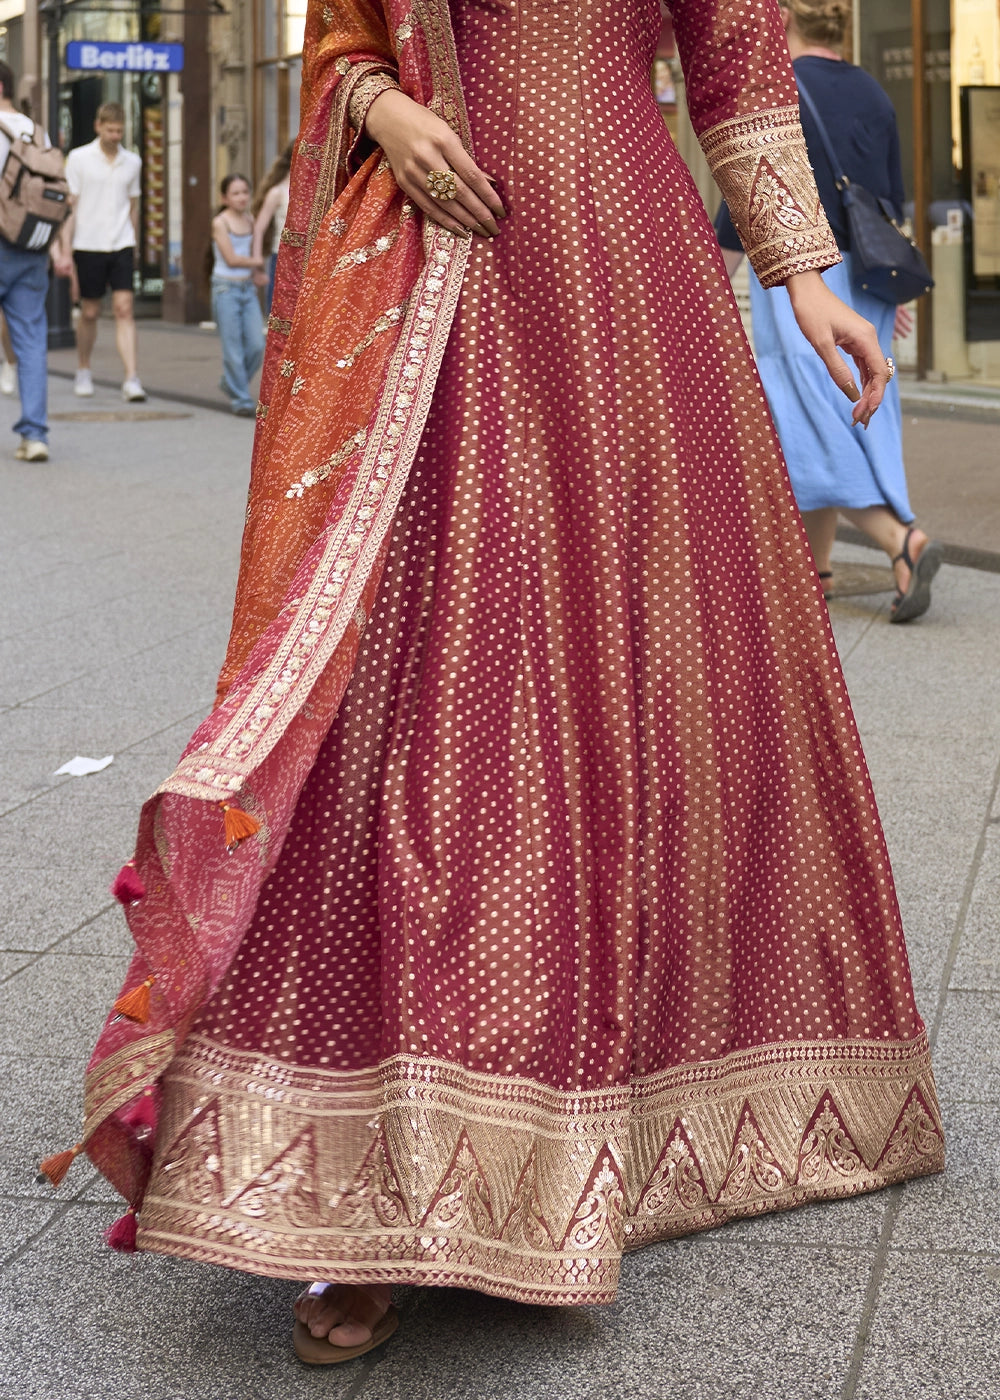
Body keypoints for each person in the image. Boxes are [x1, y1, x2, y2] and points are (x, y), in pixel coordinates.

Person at [64, 0, 943, 1365]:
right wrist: (387, 113)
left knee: (646, 683)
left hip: (640, 286)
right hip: (454, 282)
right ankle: (384, 1183)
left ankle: (618, 1124)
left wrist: (804, 274)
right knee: (429, 699)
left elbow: (732, 62)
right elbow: (346, 36)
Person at [716, 0, 941, 623]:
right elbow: (889, 201)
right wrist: (886, 294)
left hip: (801, 278)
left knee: (806, 419)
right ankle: (814, 575)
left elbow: (751, 192)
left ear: (782, 20)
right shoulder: (874, 92)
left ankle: (903, 543)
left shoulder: (778, 89)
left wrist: (712, 286)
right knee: (847, 414)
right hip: (864, 282)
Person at [0, 61, 73, 461]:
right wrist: (58, 250)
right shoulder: (37, 132)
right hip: (31, 247)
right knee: (30, 340)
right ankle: (35, 434)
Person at [64, 102, 146, 403]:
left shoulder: (132, 162)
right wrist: (66, 250)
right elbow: (70, 209)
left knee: (125, 309)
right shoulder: (78, 158)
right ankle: (83, 369)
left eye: (119, 131)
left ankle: (131, 378)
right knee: (90, 311)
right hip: (88, 244)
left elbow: (133, 206)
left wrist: (134, 245)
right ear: (98, 126)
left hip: (121, 243)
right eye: (110, 130)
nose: (115, 136)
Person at [211, 173, 265, 417]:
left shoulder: (251, 220)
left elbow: (248, 256)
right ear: (224, 198)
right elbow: (231, 260)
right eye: (235, 193)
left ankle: (230, 382)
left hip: (247, 289)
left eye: (245, 191)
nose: (242, 197)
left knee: (256, 344)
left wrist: (256, 273)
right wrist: (258, 263)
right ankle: (241, 398)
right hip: (225, 289)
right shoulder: (220, 223)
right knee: (233, 347)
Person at [251, 144, 292, 311]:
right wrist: (257, 261)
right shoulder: (277, 192)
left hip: (310, 257)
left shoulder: (316, 188)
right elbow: (259, 228)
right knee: (280, 311)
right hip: (282, 256)